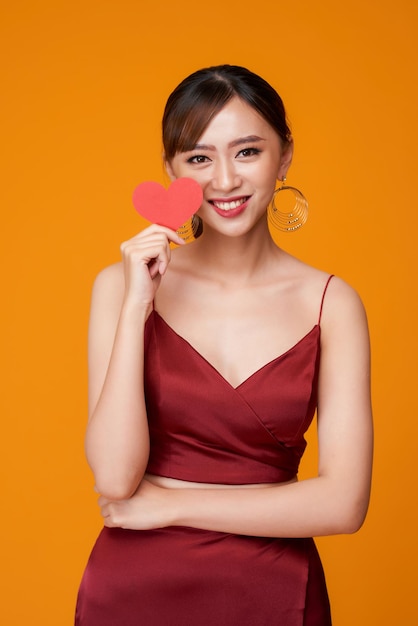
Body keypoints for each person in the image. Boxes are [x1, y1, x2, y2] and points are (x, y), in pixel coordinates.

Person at [75, 64, 373, 625]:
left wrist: (172, 505)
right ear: (172, 172)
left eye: (247, 151)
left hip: (274, 592)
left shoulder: (332, 304)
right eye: (198, 158)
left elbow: (344, 504)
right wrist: (140, 304)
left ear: (284, 156)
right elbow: (114, 479)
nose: (225, 181)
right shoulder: (120, 286)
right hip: (134, 592)